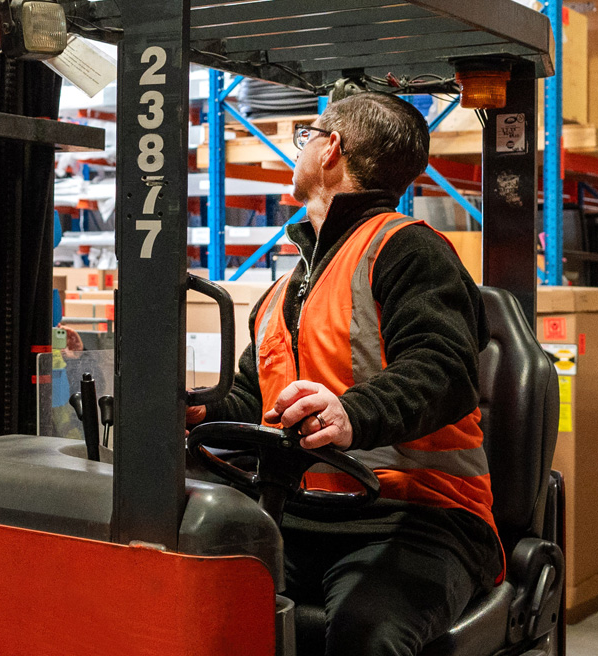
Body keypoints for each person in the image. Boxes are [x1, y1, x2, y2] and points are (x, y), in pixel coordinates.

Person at [187, 91, 500, 656]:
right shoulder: (285, 291)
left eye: (305, 137)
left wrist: (350, 413)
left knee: (367, 635)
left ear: (330, 148)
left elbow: (445, 368)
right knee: (185, 598)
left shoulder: (409, 250)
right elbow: (252, 402)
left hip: (416, 517)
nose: (298, 149)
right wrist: (200, 410)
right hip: (294, 510)